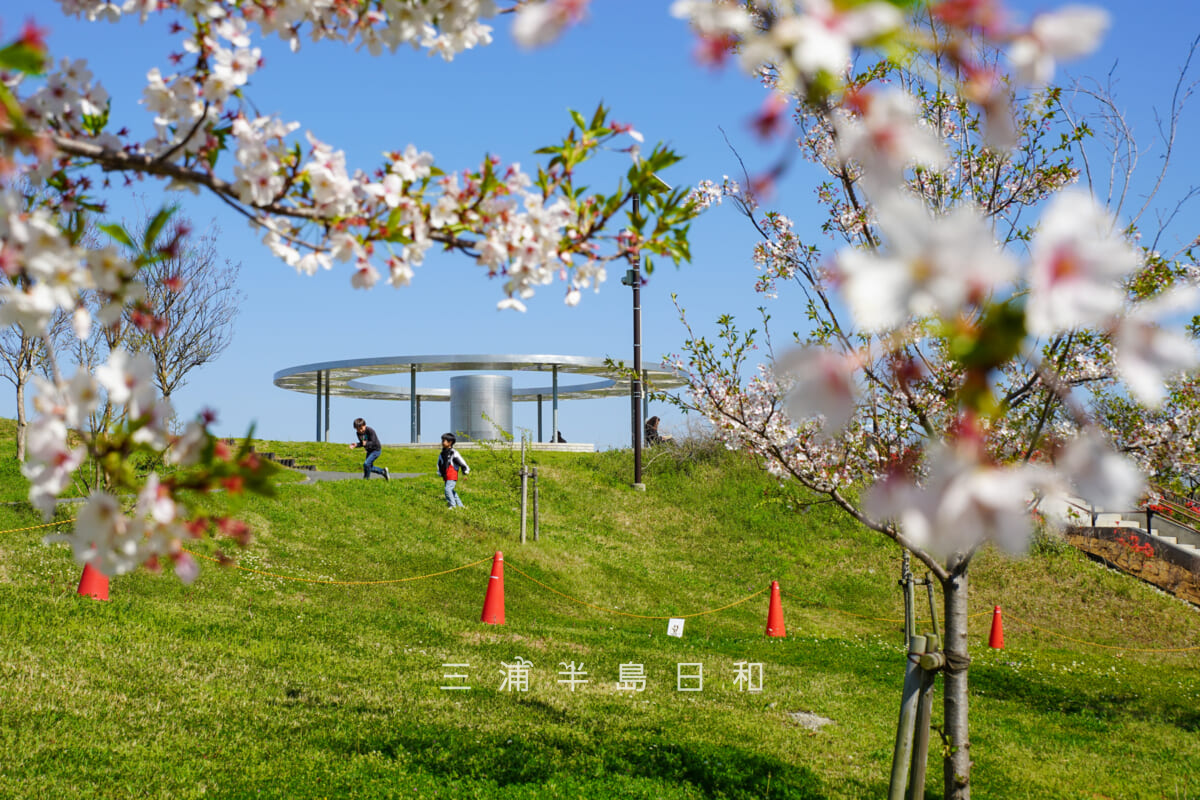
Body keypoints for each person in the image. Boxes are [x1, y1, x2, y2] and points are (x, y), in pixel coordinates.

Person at [437, 432, 471, 509]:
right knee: (451, 491)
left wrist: (465, 469)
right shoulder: (442, 454)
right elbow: (439, 463)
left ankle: (452, 505)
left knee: (447, 490)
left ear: (450, 442)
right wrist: (439, 472)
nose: (442, 442)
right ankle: (461, 506)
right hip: (445, 475)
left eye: (444, 441)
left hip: (452, 474)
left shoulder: (453, 453)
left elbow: (461, 461)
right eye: (442, 440)